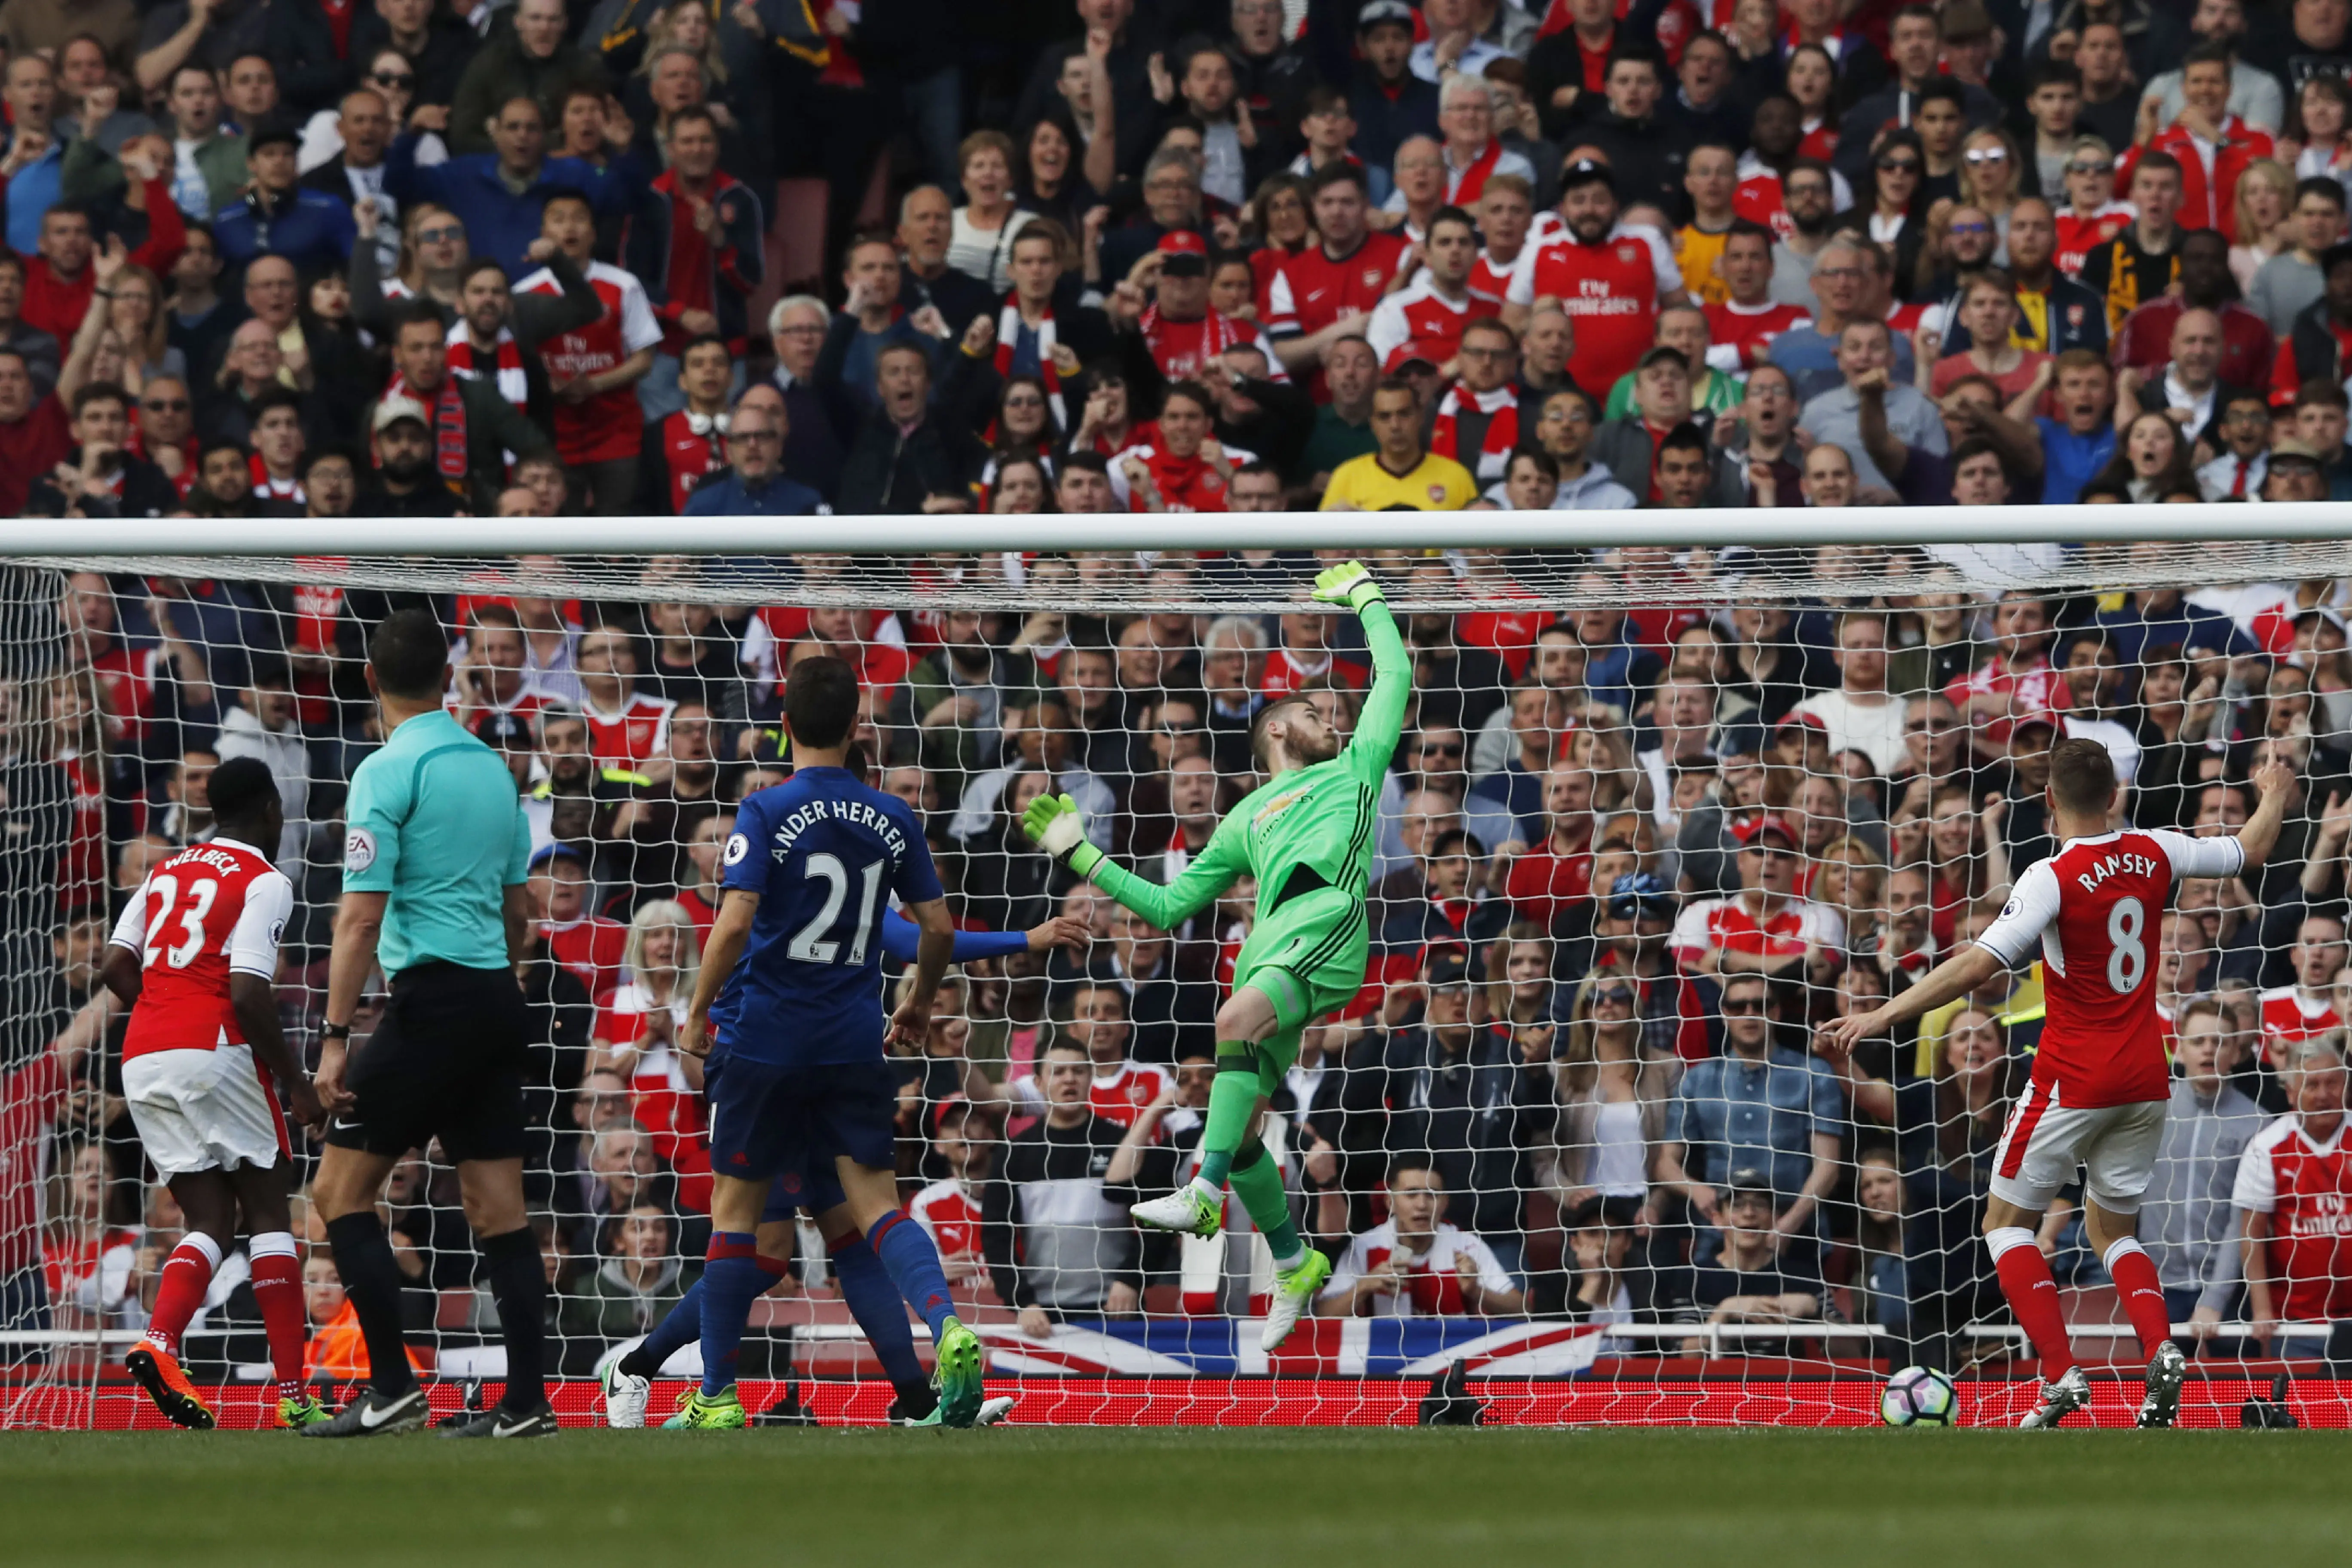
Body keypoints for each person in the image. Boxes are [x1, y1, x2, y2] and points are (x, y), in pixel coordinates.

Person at [1824, 741, 2293, 1429]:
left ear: (2048, 800)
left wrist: (1883, 1013)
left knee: (2002, 1225)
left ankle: (2061, 1374)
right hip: (2145, 1076)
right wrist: (2276, 790)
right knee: (2113, 1231)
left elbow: (1978, 966)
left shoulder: (2050, 874)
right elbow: (2249, 851)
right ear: (2114, 797)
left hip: (2073, 1076)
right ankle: (2161, 1350)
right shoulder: (2158, 849)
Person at [1022, 559, 1406, 1352]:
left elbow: (1395, 672)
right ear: (1276, 728)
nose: (1330, 719)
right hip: (1269, 950)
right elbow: (1168, 907)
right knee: (1254, 1115)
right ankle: (1297, 1261)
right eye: (1313, 711)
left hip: (1326, 923)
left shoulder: (1355, 769)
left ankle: (1202, 1186)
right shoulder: (1244, 816)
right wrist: (1081, 855)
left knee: (1227, 1023)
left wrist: (1367, 598)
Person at [666, 655, 985, 1429]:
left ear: (783, 729)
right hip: (851, 1040)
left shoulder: (766, 809)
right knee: (875, 1210)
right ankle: (947, 1328)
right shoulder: (893, 814)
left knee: (736, 1217)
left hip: (768, 1042)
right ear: (855, 728)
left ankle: (715, 1397)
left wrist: (696, 1012)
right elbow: (936, 928)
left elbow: (735, 921)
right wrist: (915, 1003)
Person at [303, 609, 548, 1439]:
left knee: (337, 1193)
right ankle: (525, 1406)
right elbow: (522, 913)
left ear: (372, 682)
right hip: (493, 1000)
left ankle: (391, 1387)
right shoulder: (494, 769)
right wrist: (501, 971)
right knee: (499, 1210)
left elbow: (359, 921)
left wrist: (335, 1039)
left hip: (431, 1001)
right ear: (450, 677)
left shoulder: (383, 770)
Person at [96, 758, 322, 1430]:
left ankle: (160, 1343)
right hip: (214, 1049)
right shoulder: (265, 880)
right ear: (268, 812)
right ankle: (294, 1398)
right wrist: (298, 1084)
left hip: (143, 1054)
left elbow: (114, 964)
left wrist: (166, 1018)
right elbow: (250, 993)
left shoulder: (166, 868)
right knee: (269, 1215)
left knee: (209, 1225)